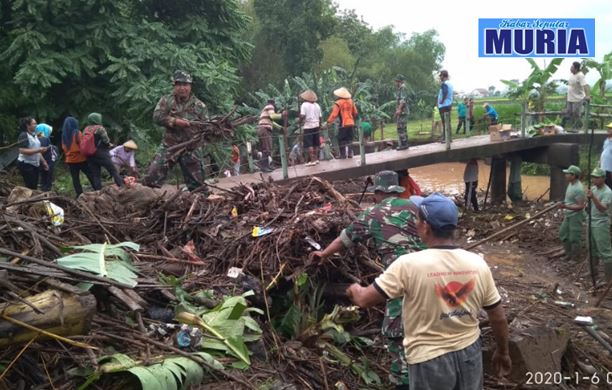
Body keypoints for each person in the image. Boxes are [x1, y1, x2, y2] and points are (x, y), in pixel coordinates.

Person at [346, 193, 511, 389]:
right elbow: (498, 316)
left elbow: (364, 300)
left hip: (429, 359)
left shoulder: (408, 265)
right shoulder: (477, 263)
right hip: (470, 354)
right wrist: (503, 351)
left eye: (417, 219)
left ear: (425, 227)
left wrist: (354, 289)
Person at [309, 171, 425, 388]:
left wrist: (323, 254)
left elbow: (345, 239)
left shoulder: (373, 214)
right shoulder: (413, 207)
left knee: (397, 333)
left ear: (378, 192)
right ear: (397, 189)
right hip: (430, 275)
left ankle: (404, 382)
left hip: (401, 279)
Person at [144, 70, 208, 190]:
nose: (182, 88)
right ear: (174, 86)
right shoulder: (166, 100)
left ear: (190, 86)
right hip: (169, 145)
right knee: (151, 176)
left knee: (198, 186)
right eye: (179, 84)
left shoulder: (200, 106)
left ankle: (199, 205)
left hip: (191, 147)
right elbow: (157, 117)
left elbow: (206, 127)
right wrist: (175, 121)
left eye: (185, 85)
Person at [83, 113, 124, 190]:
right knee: (113, 171)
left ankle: (98, 192)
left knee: (96, 175)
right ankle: (121, 187)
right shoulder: (100, 128)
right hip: (101, 154)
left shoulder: (86, 129)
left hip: (90, 155)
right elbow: (106, 140)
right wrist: (109, 144)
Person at [586, 168, 612, 282]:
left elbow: (603, 208)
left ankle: (609, 279)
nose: (594, 179)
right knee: (591, 248)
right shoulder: (593, 189)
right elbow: (589, 205)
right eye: (593, 177)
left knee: (605, 251)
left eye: (597, 177)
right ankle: (593, 272)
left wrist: (593, 197)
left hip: (601, 223)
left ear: (603, 178)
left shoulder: (608, 192)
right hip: (591, 221)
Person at [61, 116, 94, 197]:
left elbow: (63, 148)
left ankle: (79, 194)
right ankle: (97, 188)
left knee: (75, 178)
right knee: (90, 174)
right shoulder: (77, 133)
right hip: (80, 158)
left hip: (70, 160)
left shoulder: (64, 135)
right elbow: (82, 145)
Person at [559, 165, 586, 261]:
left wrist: (566, 206)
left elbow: (581, 206)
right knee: (563, 234)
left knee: (574, 238)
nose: (565, 175)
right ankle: (568, 254)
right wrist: (565, 204)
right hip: (568, 214)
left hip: (575, 216)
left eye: (567, 174)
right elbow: (570, 200)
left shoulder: (579, 189)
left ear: (573, 175)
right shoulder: (571, 184)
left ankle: (575, 258)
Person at [16, 117, 48, 189]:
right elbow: (22, 150)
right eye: (34, 124)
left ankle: (33, 199)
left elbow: (38, 151)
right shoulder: (24, 135)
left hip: (35, 164)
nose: (36, 125)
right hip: (26, 164)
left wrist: (44, 162)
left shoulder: (34, 135)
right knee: (30, 186)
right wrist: (38, 150)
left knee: (34, 186)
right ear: (28, 125)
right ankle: (28, 199)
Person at [326, 87, 358, 159]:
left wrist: (328, 122)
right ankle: (350, 154)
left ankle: (343, 155)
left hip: (343, 123)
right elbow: (355, 113)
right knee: (349, 138)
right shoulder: (351, 101)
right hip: (351, 123)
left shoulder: (338, 103)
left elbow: (334, 114)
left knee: (341, 139)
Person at [561, 61, 591, 130]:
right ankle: (573, 127)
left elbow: (585, 86)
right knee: (568, 113)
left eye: (572, 67)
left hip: (578, 99)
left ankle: (578, 127)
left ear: (576, 68)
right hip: (570, 98)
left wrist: (587, 95)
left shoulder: (580, 75)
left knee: (576, 113)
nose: (570, 68)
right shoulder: (572, 75)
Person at [256, 99, 283, 172]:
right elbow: (273, 116)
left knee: (266, 148)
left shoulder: (265, 110)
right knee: (267, 149)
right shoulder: (270, 107)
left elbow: (271, 121)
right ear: (273, 103)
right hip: (265, 129)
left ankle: (267, 166)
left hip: (261, 129)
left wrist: (280, 128)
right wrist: (282, 115)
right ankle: (264, 167)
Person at [299, 90, 322, 166]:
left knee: (309, 144)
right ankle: (316, 159)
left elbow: (302, 115)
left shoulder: (304, 105)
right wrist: (320, 125)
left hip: (308, 126)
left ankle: (312, 160)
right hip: (316, 125)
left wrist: (299, 121)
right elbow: (320, 117)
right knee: (316, 143)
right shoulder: (317, 105)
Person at [35, 123, 58, 191]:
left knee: (42, 179)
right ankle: (46, 193)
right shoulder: (43, 139)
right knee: (46, 180)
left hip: (39, 162)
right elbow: (42, 150)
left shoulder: (36, 138)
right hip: (46, 162)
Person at [438, 70, 454, 143]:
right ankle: (449, 138)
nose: (440, 77)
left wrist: (442, 100)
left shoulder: (444, 83)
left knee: (444, 123)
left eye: (440, 76)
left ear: (443, 76)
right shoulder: (450, 83)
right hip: (448, 104)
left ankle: (445, 138)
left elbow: (445, 92)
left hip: (444, 105)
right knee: (447, 122)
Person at [394, 75, 410, 150]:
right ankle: (405, 144)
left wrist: (399, 110)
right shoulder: (400, 89)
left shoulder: (403, 88)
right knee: (403, 128)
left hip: (403, 112)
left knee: (401, 128)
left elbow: (403, 101)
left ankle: (404, 144)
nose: (395, 83)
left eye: (397, 81)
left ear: (400, 81)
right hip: (402, 111)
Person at [600, 122, 612, 189]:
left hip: (610, 169)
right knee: (603, 185)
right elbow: (604, 152)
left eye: (610, 128)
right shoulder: (606, 140)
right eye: (608, 128)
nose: (608, 130)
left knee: (609, 185)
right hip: (603, 168)